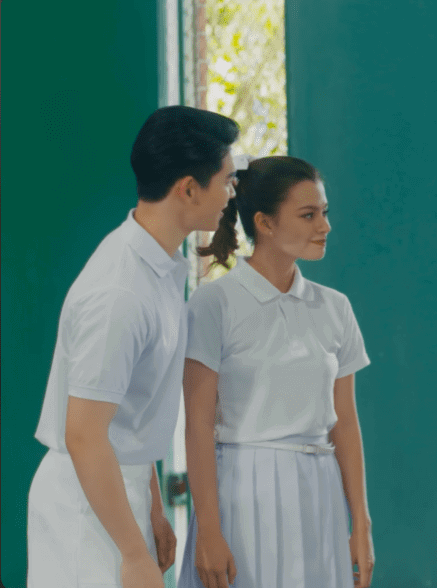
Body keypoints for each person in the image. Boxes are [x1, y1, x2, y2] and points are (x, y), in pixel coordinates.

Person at [27, 106, 239, 588]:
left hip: (119, 487)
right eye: (226, 180)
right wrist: (133, 553)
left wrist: (154, 510)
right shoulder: (121, 291)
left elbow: (132, 412)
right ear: (188, 188)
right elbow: (84, 434)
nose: (232, 193)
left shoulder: (161, 267)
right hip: (86, 505)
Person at [177, 156, 374, 588]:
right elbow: (197, 425)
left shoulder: (335, 307)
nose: (325, 226)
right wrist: (208, 528)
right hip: (243, 495)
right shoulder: (214, 304)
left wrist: (360, 521)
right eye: (308, 215)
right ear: (264, 223)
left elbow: (345, 423)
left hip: (319, 492)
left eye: (324, 213)